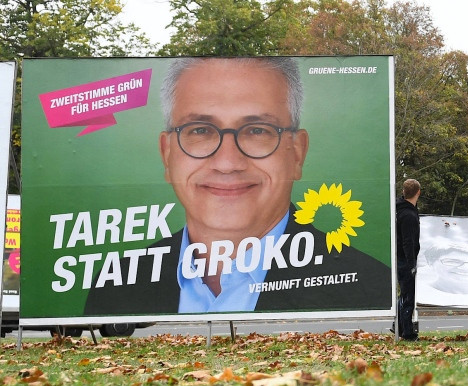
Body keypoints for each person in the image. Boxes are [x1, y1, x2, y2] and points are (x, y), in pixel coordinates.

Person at [85, 56, 390, 315]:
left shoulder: (368, 286)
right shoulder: (116, 285)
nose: (227, 162)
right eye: (200, 130)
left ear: (297, 153)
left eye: (257, 130)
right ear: (167, 155)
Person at [395, 178, 420, 340]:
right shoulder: (409, 215)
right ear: (418, 192)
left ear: (404, 192)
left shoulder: (399, 210)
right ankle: (407, 332)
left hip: (399, 258)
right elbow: (408, 242)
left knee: (403, 295)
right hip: (406, 261)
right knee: (408, 297)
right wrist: (412, 265)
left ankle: (400, 327)